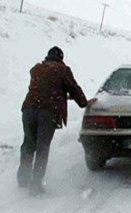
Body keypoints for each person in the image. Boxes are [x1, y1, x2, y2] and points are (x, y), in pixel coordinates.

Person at [18, 46, 91, 195]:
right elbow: (73, 88)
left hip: (29, 109)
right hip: (47, 112)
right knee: (42, 147)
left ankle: (23, 177)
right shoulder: (62, 70)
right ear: (61, 58)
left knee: (28, 143)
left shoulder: (37, 69)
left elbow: (45, 88)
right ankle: (36, 184)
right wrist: (84, 103)